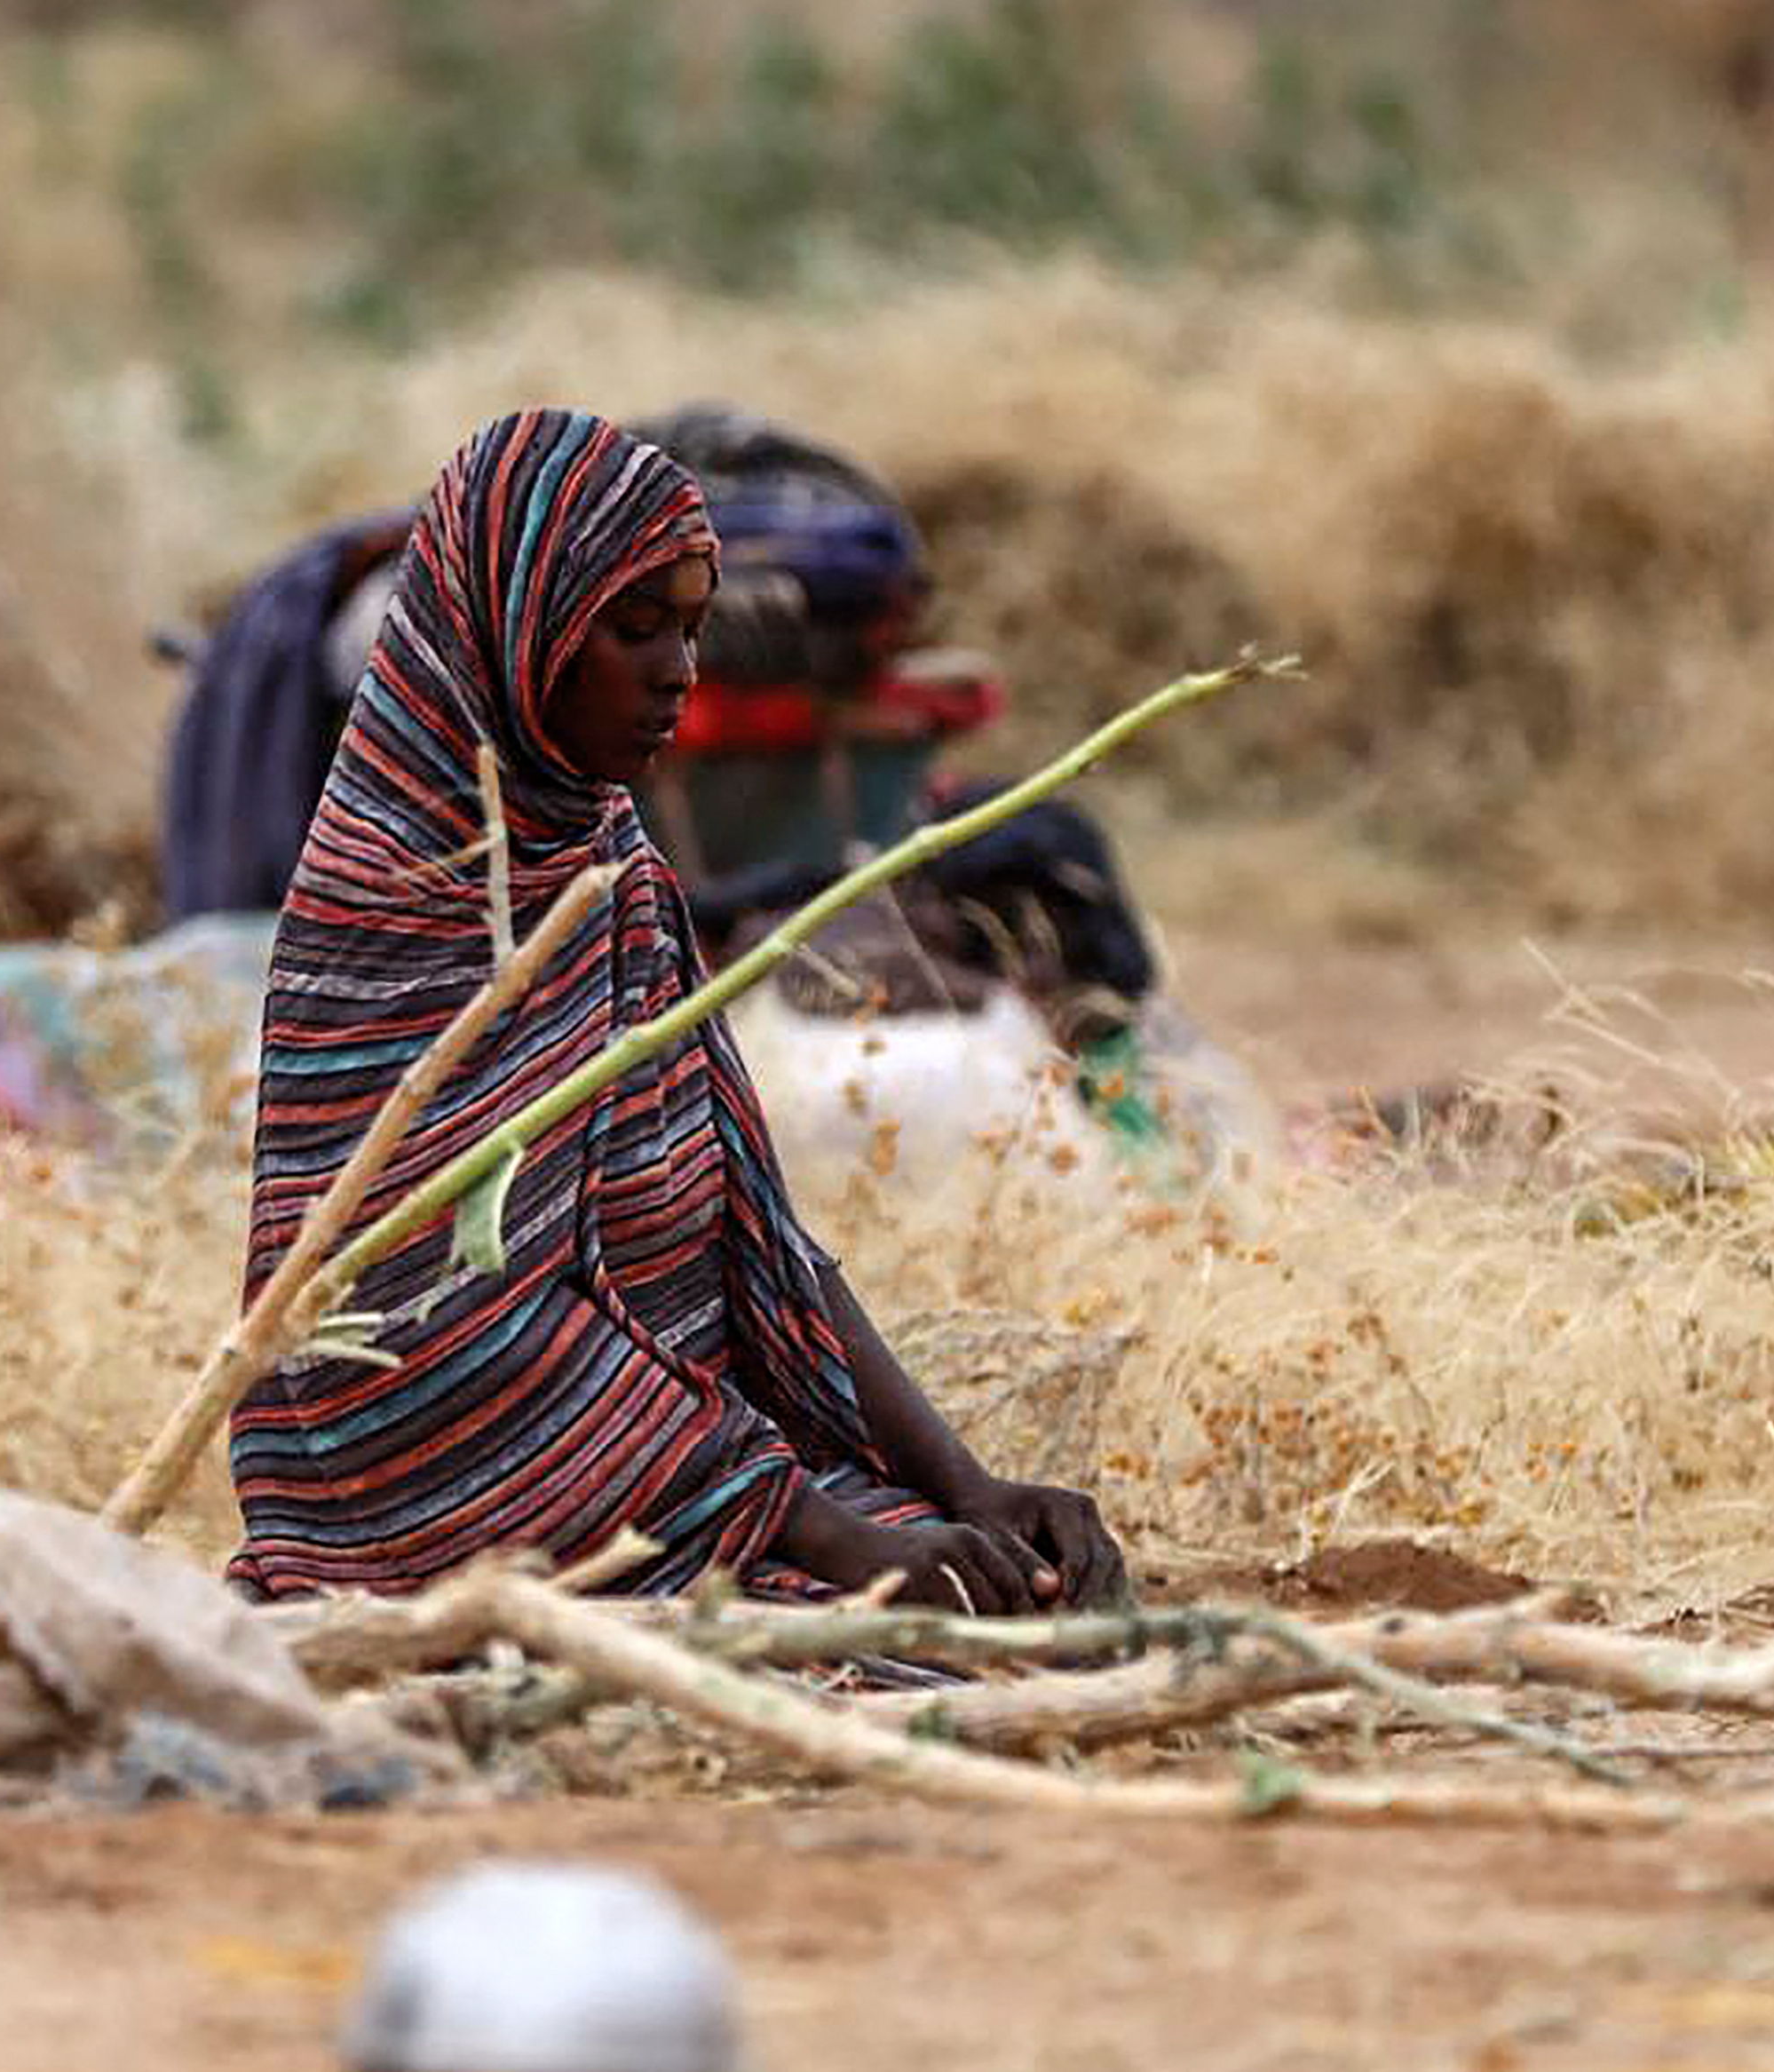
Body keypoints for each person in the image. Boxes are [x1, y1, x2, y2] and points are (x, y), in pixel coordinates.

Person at [227, 408, 1127, 1612]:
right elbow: (435, 1329)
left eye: (691, 631)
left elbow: (755, 1239)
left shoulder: (610, 870)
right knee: (902, 1652)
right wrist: (833, 1539)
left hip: (676, 1475)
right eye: (633, 629)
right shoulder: (397, 909)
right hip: (458, 1501)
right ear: (515, 627)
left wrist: (968, 1489)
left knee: (1035, 1596)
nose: (678, 673)